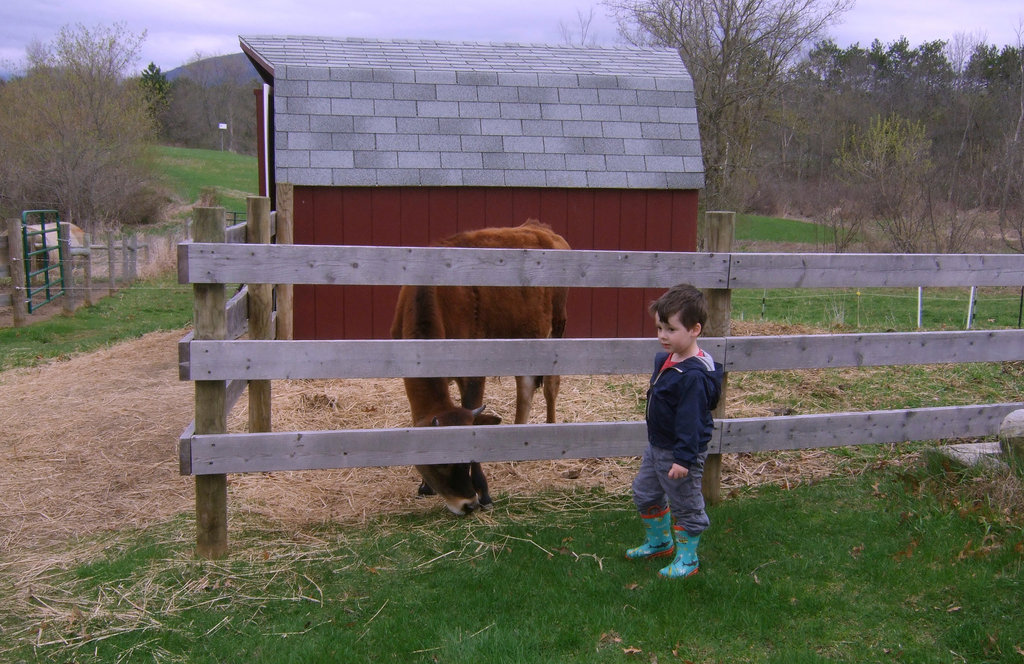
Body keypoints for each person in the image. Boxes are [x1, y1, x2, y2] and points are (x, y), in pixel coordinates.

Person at [626, 284, 723, 579]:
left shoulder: (694, 376)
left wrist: (683, 459)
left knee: (686, 504)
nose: (662, 336)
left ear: (695, 329)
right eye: (659, 328)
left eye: (670, 329)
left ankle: (688, 560)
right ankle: (660, 542)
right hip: (657, 446)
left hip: (680, 454)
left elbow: (691, 422)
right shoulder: (667, 360)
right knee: (644, 492)